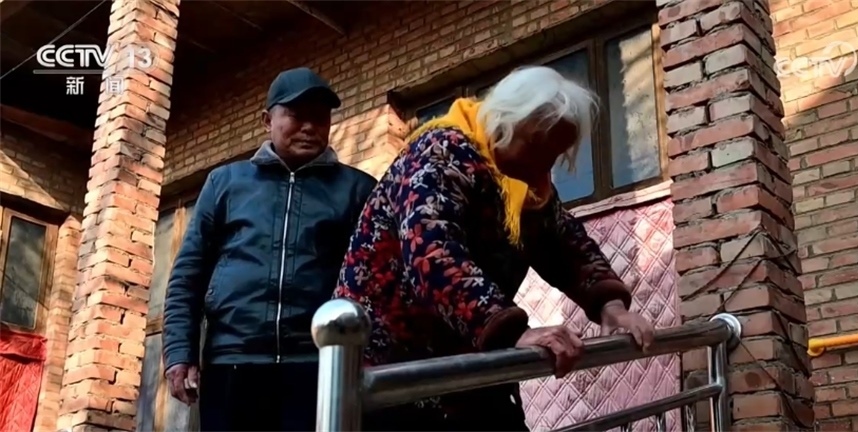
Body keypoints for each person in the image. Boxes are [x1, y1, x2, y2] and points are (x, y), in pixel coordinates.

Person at [334, 66, 657, 431]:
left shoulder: (525, 179)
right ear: (504, 123)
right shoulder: (440, 153)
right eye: (537, 145)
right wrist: (514, 332)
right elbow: (434, 255)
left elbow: (565, 243)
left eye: (556, 154)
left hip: (468, 365)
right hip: (394, 371)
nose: (545, 165)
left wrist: (611, 307)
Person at [162, 67, 377, 432]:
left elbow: (373, 280)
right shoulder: (225, 183)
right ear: (267, 120)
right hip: (232, 361)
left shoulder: (357, 189)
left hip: (319, 365)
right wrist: (179, 353)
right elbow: (188, 275)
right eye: (296, 115)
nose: (309, 127)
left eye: (319, 117)